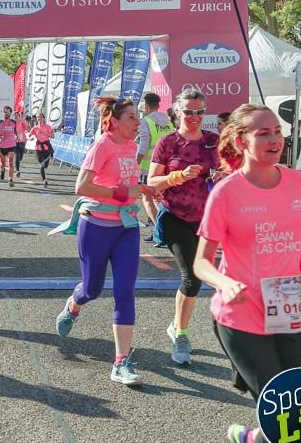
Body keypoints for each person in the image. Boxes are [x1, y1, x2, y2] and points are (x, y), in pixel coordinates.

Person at [193, 104, 301, 443]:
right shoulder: (226, 193)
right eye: (263, 134)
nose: (275, 139)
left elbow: (300, 245)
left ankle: (252, 438)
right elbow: (201, 263)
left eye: (277, 131)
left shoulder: (298, 184)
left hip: (290, 313)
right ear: (241, 142)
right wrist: (223, 282)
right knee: (282, 412)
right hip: (240, 317)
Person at [55, 97, 154, 386]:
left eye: (137, 117)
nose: (138, 122)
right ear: (114, 121)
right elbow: (81, 187)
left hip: (126, 227)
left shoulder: (132, 147)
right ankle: (74, 303)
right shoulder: (102, 145)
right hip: (96, 227)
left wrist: (143, 190)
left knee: (125, 292)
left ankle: (121, 361)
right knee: (92, 288)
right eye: (133, 118)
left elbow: (128, 185)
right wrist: (119, 193)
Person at [146, 89, 221, 365]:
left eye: (200, 112)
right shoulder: (168, 142)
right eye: (189, 112)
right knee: (192, 277)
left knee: (195, 279)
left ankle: (177, 324)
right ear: (177, 112)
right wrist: (178, 175)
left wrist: (223, 174)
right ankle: (181, 334)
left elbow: (230, 170)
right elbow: (152, 182)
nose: (195, 117)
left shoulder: (214, 142)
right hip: (176, 216)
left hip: (206, 219)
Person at [137, 93, 172, 225]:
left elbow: (144, 144)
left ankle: (160, 230)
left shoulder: (147, 121)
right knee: (161, 198)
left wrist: (136, 163)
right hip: (166, 164)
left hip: (149, 166)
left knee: (148, 198)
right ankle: (163, 229)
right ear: (158, 105)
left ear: (146, 106)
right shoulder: (168, 121)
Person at [0, 106, 18, 187]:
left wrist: (16, 137)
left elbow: (15, 132)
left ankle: (10, 179)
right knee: (3, 162)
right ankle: (3, 169)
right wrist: (0, 137)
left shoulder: (13, 122)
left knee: (11, 160)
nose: (6, 113)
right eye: (5, 112)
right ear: (3, 113)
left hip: (11, 145)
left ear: (10, 113)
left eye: (8, 112)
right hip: (2, 145)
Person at [29, 112, 55, 187]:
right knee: (41, 165)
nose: (39, 118)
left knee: (45, 165)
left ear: (43, 118)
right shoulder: (35, 127)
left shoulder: (48, 127)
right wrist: (30, 138)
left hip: (46, 147)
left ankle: (44, 176)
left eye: (40, 117)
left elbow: (53, 136)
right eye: (38, 117)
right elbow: (29, 135)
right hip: (38, 148)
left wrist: (45, 133)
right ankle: (44, 180)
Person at [12, 111, 29, 178]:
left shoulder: (22, 122)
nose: (16, 116)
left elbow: (27, 129)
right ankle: (17, 171)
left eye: (17, 115)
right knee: (17, 156)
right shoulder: (12, 123)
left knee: (20, 156)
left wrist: (23, 122)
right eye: (15, 115)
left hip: (22, 141)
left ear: (19, 116)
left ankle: (18, 162)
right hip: (14, 142)